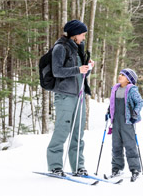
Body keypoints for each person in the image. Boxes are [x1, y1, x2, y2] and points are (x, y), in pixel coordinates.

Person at [47, 20, 94, 176]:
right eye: (82, 34)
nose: (84, 38)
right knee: (62, 130)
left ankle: (78, 166)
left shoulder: (78, 48)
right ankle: (55, 166)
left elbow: (80, 73)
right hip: (65, 96)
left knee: (78, 133)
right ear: (75, 34)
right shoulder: (60, 48)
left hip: (78, 96)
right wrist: (78, 69)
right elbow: (57, 71)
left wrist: (87, 68)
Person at [107, 68, 143, 180]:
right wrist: (108, 111)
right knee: (116, 146)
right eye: (120, 74)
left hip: (127, 121)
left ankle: (135, 168)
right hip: (116, 121)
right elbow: (112, 103)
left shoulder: (131, 90)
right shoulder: (115, 89)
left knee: (130, 145)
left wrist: (135, 114)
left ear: (128, 80)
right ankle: (116, 168)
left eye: (123, 75)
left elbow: (139, 102)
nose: (120, 76)